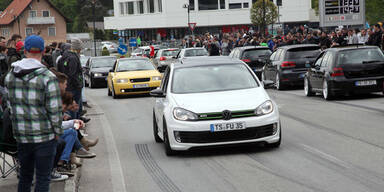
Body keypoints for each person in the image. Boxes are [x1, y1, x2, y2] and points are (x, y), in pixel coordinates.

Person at [5, 35, 63, 191]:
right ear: (43, 51)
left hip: (22, 135)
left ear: (25, 51)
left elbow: (10, 105)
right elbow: (55, 109)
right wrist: (57, 131)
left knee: (25, 177)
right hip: (44, 136)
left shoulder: (11, 75)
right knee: (43, 178)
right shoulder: (47, 77)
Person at [57, 39, 89, 122]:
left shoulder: (63, 57)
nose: (80, 50)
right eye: (80, 48)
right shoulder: (73, 58)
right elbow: (73, 73)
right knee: (74, 108)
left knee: (69, 107)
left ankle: (74, 123)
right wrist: (78, 85)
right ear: (77, 48)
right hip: (74, 87)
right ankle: (75, 126)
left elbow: (60, 72)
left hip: (66, 86)